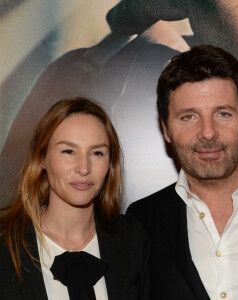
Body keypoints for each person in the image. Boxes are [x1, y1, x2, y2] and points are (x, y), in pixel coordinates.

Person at [127, 45, 238, 300]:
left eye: (223, 113)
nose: (208, 132)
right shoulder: (141, 221)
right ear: (166, 129)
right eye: (189, 117)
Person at [0, 98, 149, 300]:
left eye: (97, 153)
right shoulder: (6, 244)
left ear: (109, 163)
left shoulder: (131, 238)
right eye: (68, 151)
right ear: (42, 158)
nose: (84, 168)